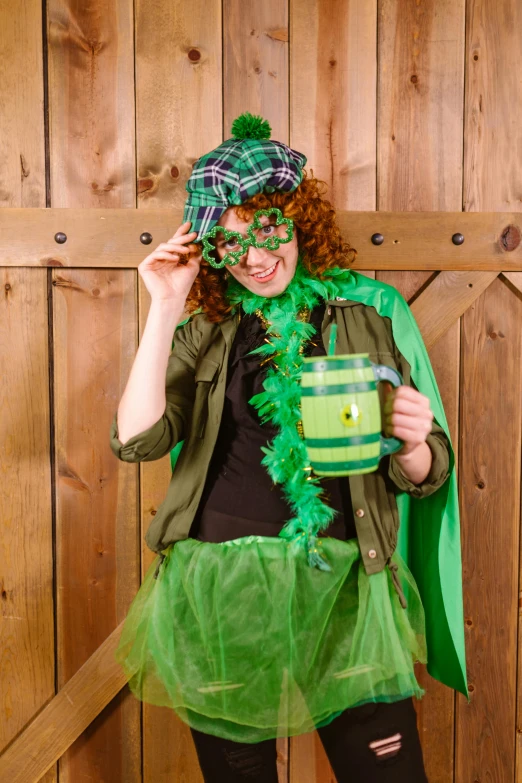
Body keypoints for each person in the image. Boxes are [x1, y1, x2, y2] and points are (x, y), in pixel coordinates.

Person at [110, 113, 468, 782]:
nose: (254, 257)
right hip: (222, 591)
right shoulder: (207, 327)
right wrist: (165, 304)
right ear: (209, 250)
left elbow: (426, 472)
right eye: (230, 243)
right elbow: (136, 439)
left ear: (301, 219)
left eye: (269, 229)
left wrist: (414, 440)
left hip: (346, 594)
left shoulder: (372, 310)